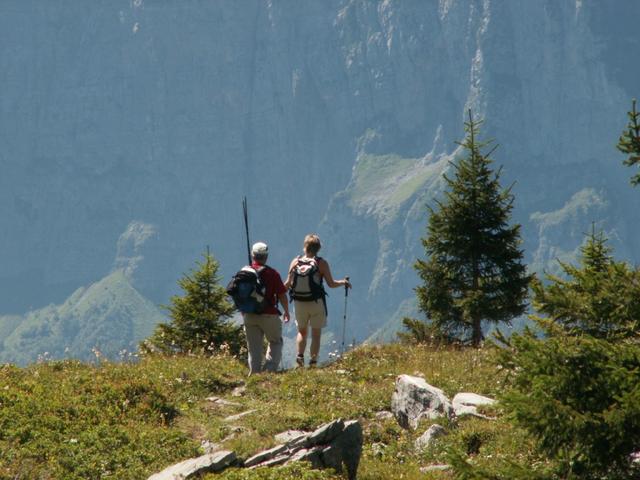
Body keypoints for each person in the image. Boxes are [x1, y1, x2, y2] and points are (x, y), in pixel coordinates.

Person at [285, 234, 351, 367]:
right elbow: (331, 284)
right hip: (316, 302)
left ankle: (300, 357)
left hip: (299, 302)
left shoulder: (295, 262)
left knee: (302, 332)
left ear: (305, 247)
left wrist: (275, 292)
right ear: (318, 248)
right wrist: (343, 282)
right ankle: (313, 362)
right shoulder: (321, 263)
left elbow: (288, 284)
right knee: (316, 334)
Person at [243, 241, 290, 375]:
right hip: (269, 314)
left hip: (249, 315)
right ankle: (269, 372)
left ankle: (255, 375)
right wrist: (286, 311)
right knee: (275, 341)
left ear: (252, 255)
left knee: (254, 348)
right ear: (266, 257)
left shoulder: (244, 272)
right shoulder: (272, 273)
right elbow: (281, 295)